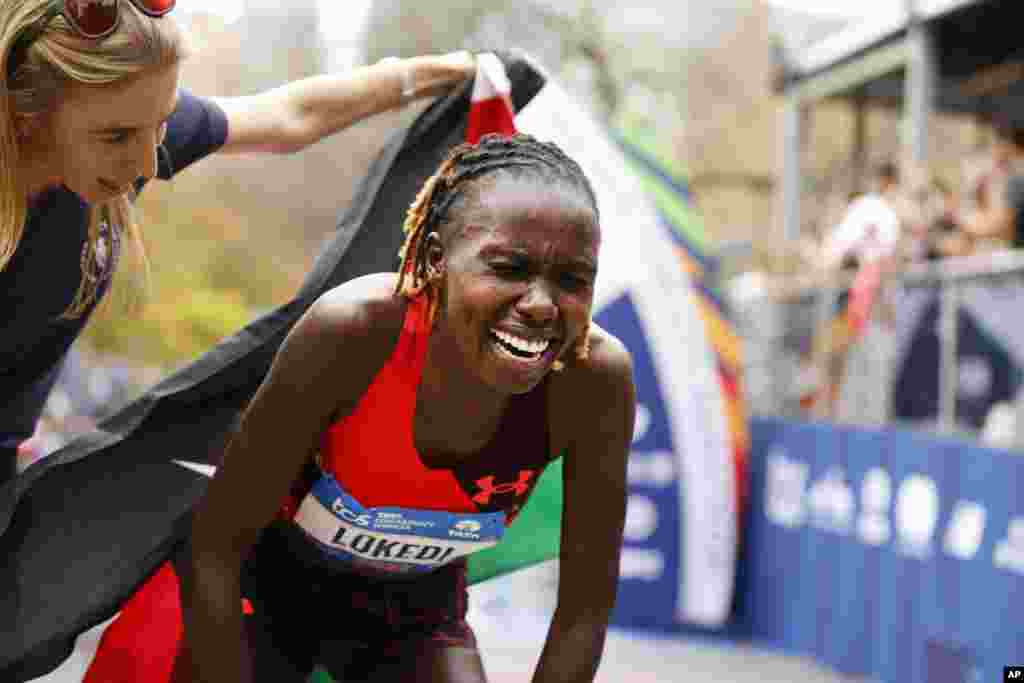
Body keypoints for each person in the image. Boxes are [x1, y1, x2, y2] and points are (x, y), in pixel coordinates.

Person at [180, 133, 636, 683]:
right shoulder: (354, 332)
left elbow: (583, 611)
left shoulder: (594, 379)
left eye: (572, 280)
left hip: (415, 614)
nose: (541, 305)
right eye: (510, 268)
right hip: (265, 589)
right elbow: (214, 551)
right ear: (437, 259)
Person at [0, 0, 476, 485]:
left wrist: (432, 75)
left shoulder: (119, 135)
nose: (148, 162)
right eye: (118, 137)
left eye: (161, 123)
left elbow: (292, 115)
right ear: (24, 115)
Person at [957, 118, 1024, 252]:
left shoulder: (1017, 179)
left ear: (1007, 145)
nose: (993, 152)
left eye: (994, 144)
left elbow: (1002, 226)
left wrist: (966, 223)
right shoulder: (1013, 178)